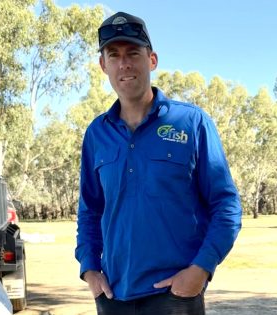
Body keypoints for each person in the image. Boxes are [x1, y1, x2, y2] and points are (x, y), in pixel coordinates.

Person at [75, 11, 242, 315]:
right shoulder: (97, 134)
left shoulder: (191, 123)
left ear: (151, 60)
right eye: (114, 55)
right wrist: (90, 270)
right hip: (113, 296)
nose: (124, 64)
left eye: (133, 53)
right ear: (103, 65)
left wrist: (200, 269)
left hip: (175, 297)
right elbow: (90, 210)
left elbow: (226, 205)